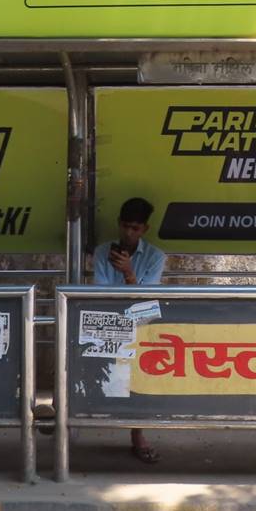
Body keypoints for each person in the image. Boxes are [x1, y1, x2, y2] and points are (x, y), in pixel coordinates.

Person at [91, 196, 165, 464]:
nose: (129, 233)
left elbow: (149, 300)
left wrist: (129, 274)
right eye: (125, 226)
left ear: (144, 229)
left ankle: (137, 433)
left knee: (141, 373)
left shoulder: (156, 257)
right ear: (119, 224)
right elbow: (99, 292)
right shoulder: (102, 252)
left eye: (135, 228)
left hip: (140, 324)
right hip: (107, 322)